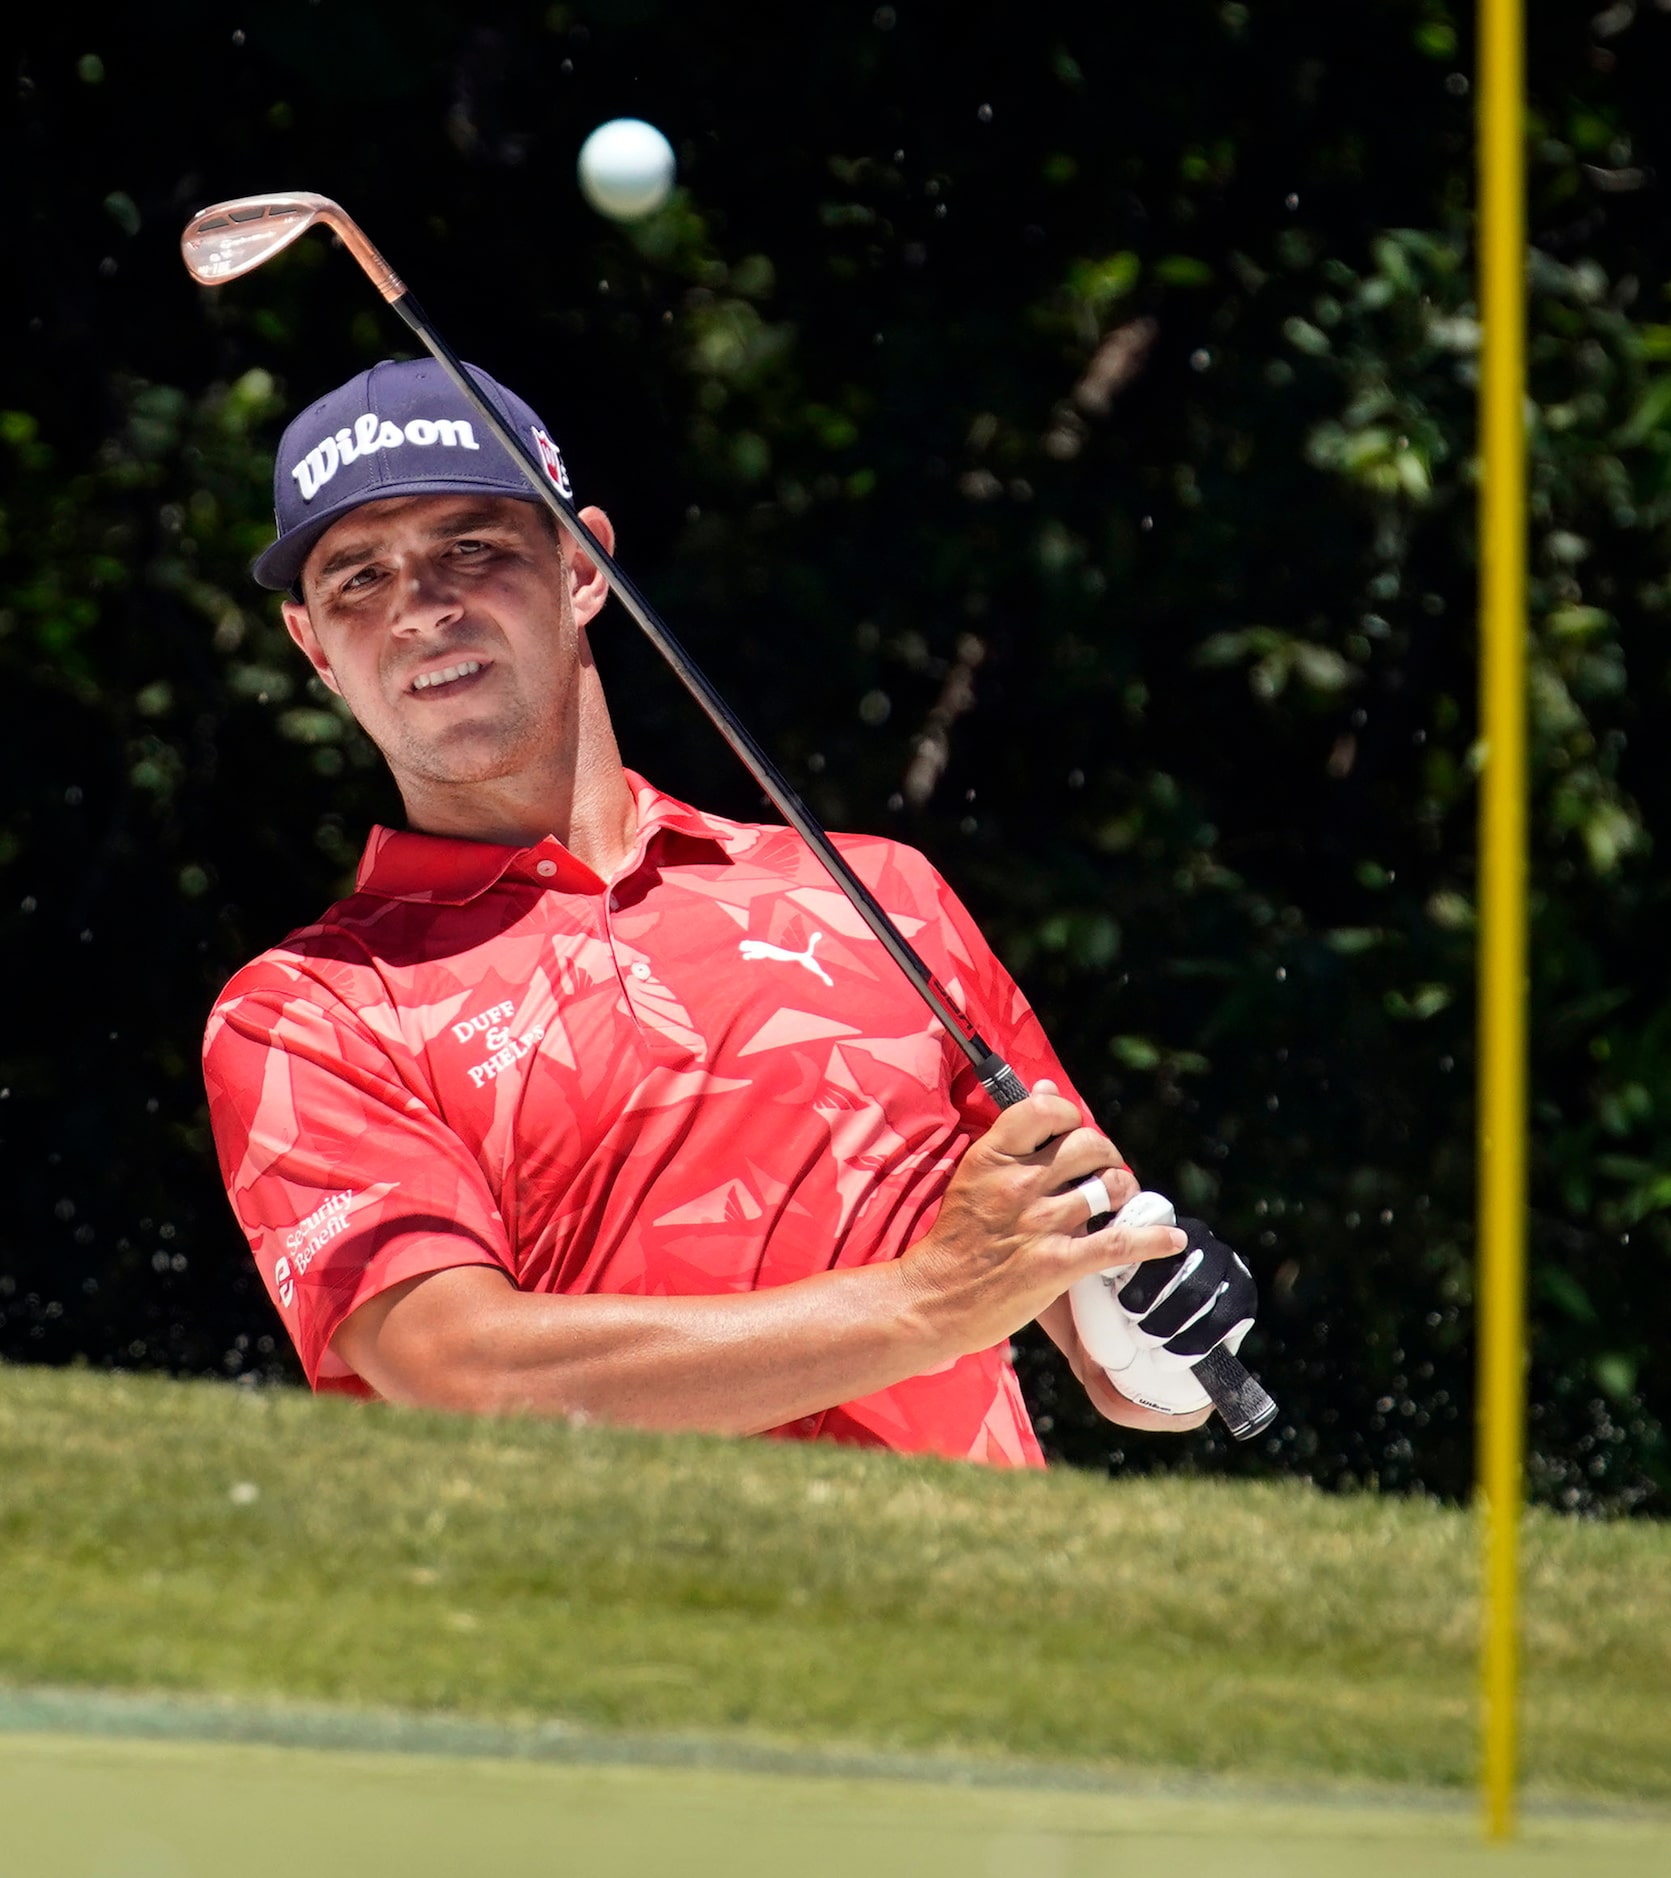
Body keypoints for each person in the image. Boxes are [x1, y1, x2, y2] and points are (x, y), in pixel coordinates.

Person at [203, 358, 1213, 1468]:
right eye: (358, 578)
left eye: (471, 548)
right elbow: (466, 1374)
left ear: (583, 567)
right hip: (626, 1633)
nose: (421, 610)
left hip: (982, 1616)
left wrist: (1157, 1344)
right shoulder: (305, 1014)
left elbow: (1079, 1284)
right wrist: (925, 1304)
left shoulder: (877, 892)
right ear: (314, 651)